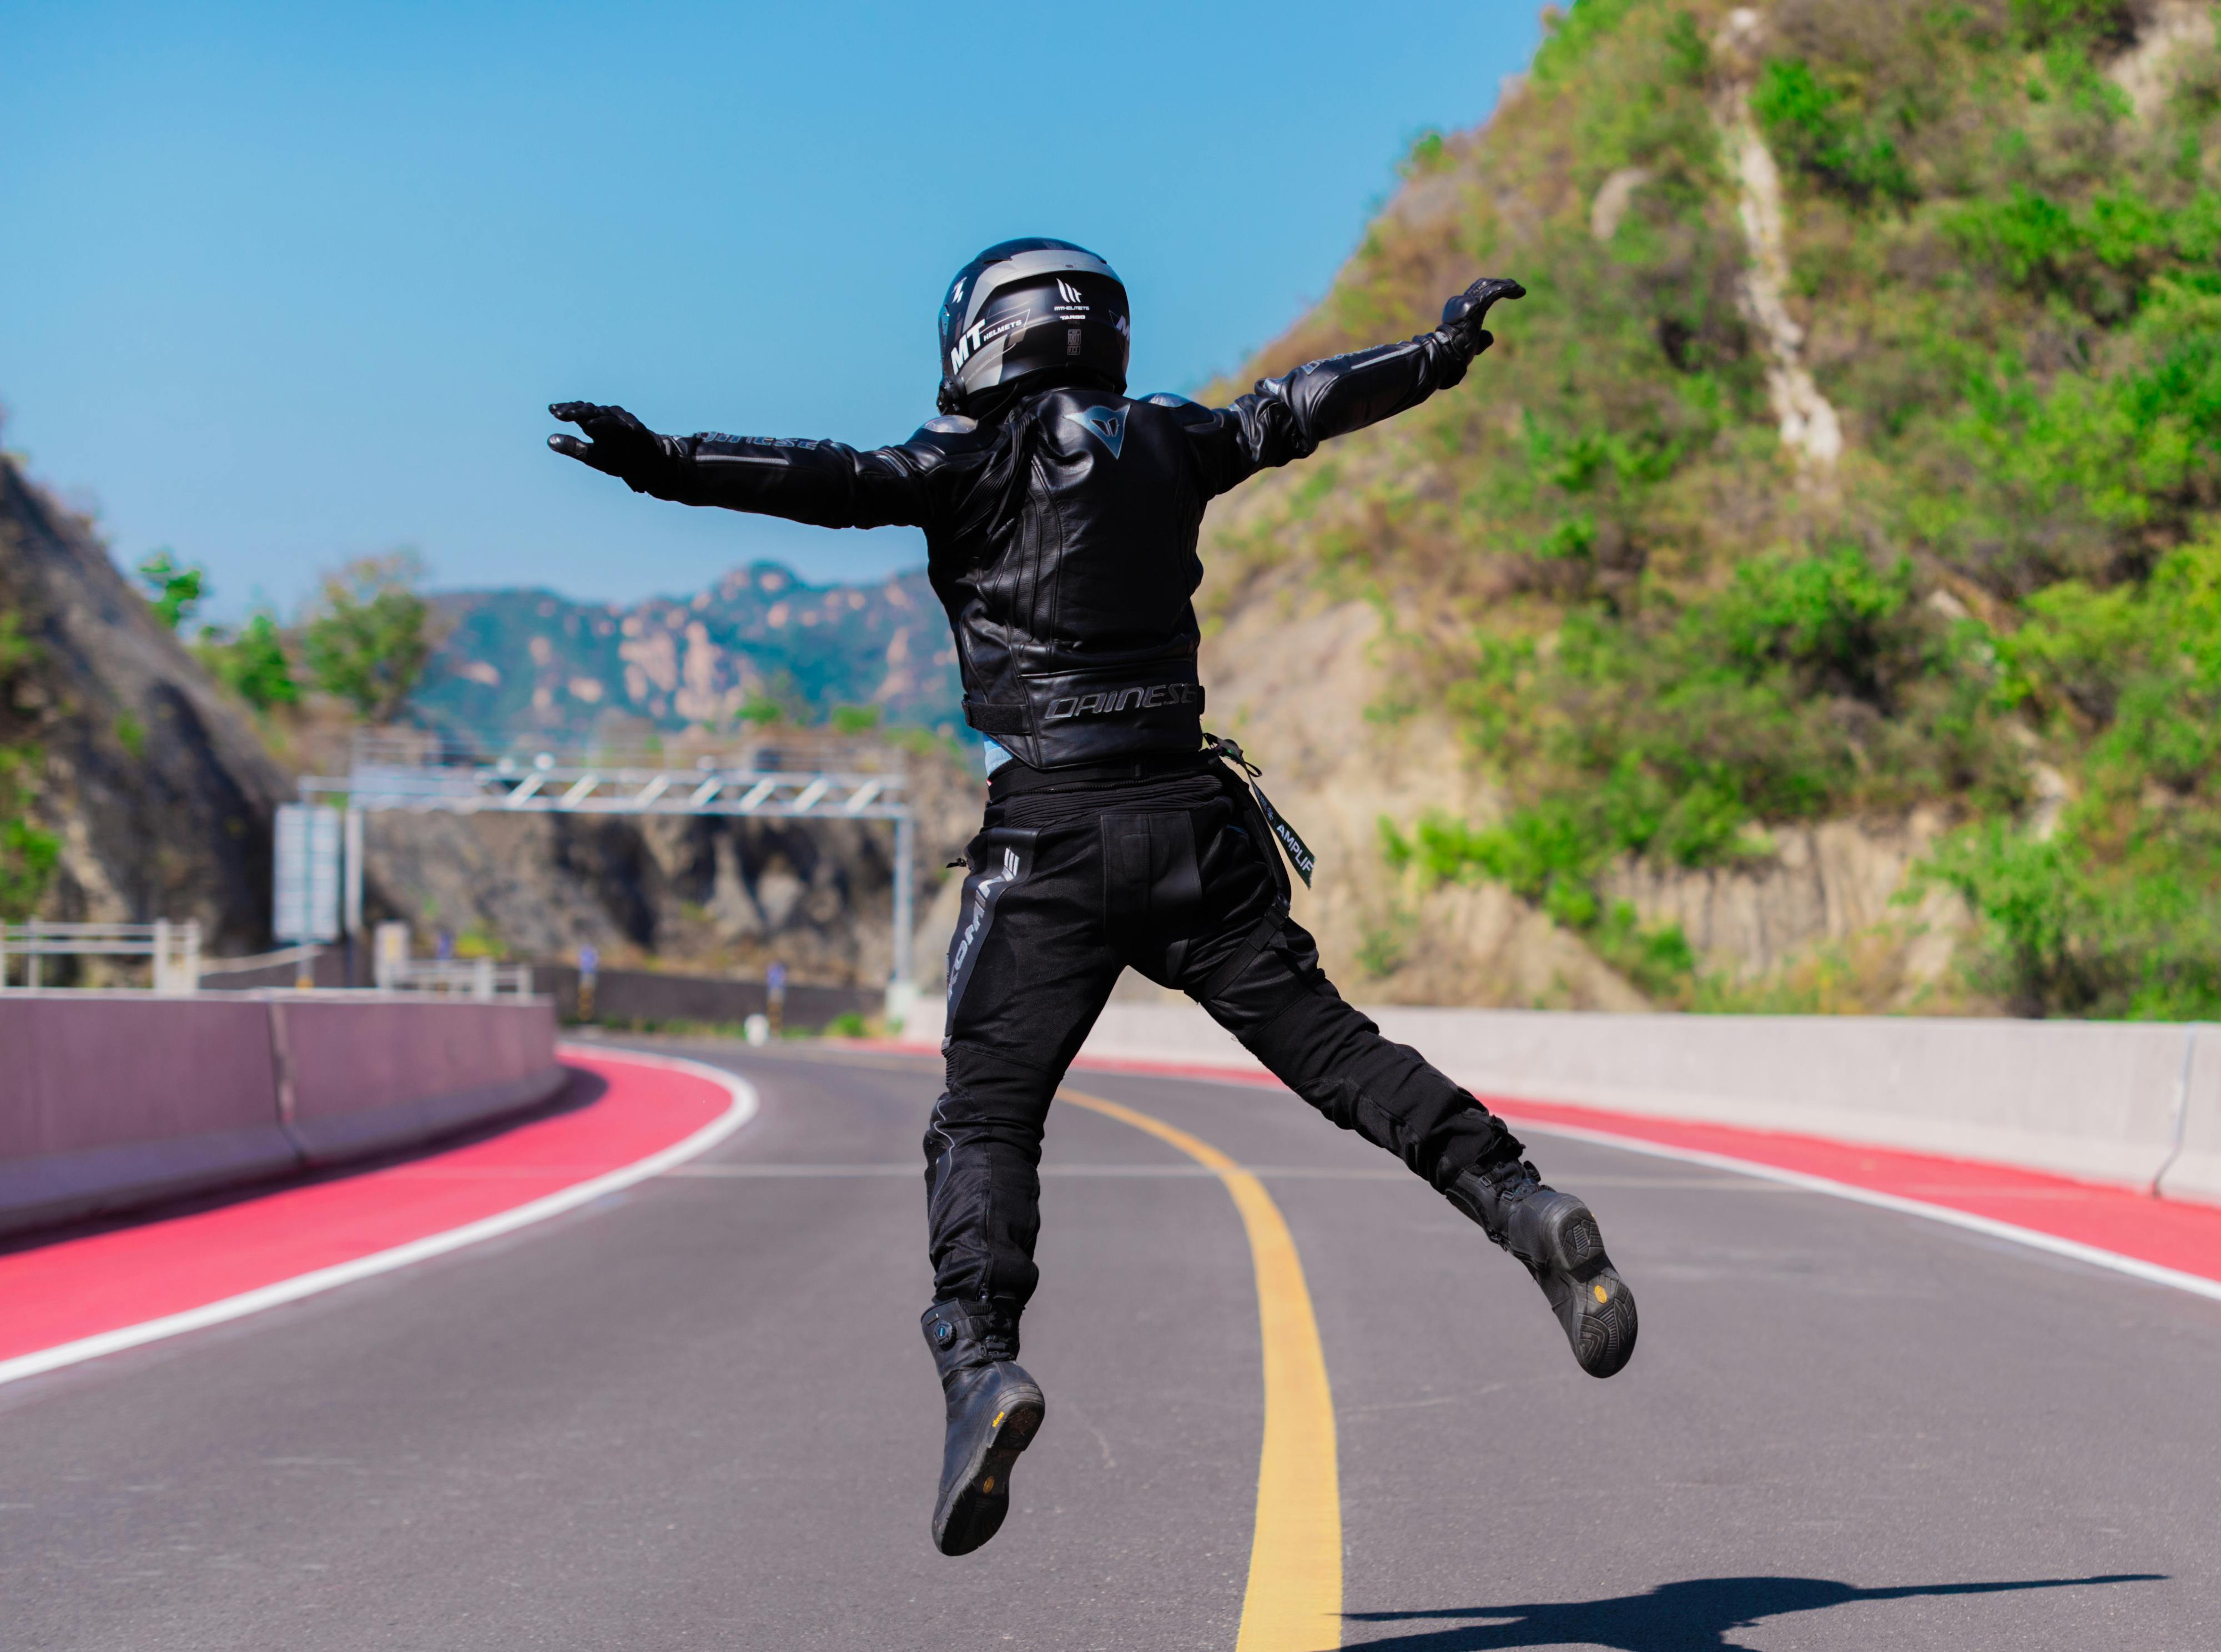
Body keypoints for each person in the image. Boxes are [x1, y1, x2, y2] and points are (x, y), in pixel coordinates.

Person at [547, 238, 1636, 1557]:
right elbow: (1297, 407)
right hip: (1191, 821)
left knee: (984, 1118)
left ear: (981, 340)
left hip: (1049, 838)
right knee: (1338, 1051)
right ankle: (1516, 1199)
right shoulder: (1172, 440)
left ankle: (980, 1362)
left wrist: (662, 459)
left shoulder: (965, 462)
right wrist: (1440, 354)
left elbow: (822, 481)